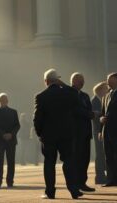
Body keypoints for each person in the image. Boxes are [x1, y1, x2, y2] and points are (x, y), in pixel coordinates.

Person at [33, 68, 82, 200]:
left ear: (46, 81)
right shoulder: (67, 93)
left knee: (49, 163)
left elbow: (37, 118)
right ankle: (74, 190)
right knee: (69, 161)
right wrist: (64, 84)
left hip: (48, 135)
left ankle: (50, 192)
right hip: (66, 134)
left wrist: (39, 133)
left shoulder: (41, 96)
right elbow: (76, 93)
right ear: (58, 80)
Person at [69, 74, 95, 193]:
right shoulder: (69, 94)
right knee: (76, 159)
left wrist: (89, 113)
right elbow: (76, 110)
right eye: (80, 80)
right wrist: (89, 114)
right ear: (73, 81)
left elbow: (88, 110)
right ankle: (75, 183)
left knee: (85, 159)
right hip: (75, 133)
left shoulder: (85, 96)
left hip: (85, 132)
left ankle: (82, 182)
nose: (82, 83)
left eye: (83, 81)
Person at [0, 93, 20, 189]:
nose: (3, 101)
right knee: (4, 161)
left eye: (4, 100)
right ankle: (5, 182)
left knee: (4, 161)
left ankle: (2, 182)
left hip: (3, 139)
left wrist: (7, 134)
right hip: (5, 139)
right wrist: (8, 134)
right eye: (2, 100)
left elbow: (17, 125)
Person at [90, 82, 109, 185]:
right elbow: (94, 116)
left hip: (100, 130)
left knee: (102, 153)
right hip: (98, 130)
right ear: (100, 90)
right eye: (106, 89)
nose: (107, 91)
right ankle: (100, 176)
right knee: (100, 154)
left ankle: (102, 175)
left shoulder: (100, 100)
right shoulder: (94, 101)